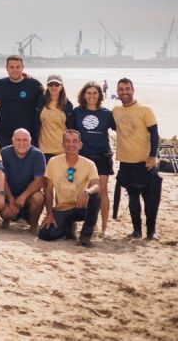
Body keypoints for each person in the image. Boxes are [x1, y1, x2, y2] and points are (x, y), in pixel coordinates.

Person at [112, 78, 162, 240]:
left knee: (150, 199)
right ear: (117, 92)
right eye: (121, 89)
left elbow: (155, 135)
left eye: (127, 89)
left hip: (144, 162)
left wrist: (152, 156)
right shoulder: (116, 111)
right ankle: (136, 230)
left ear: (133, 90)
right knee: (133, 198)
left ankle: (151, 231)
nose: (124, 92)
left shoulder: (145, 110)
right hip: (126, 162)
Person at [39, 130, 101, 247]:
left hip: (80, 206)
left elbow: (97, 185)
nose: (71, 144)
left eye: (74, 141)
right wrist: (49, 214)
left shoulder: (89, 164)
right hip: (62, 208)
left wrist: (87, 191)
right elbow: (48, 190)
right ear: (62, 144)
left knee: (96, 197)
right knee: (45, 234)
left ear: (80, 145)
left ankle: (85, 236)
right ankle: (67, 228)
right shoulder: (53, 162)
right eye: (67, 141)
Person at [73, 81, 115, 236]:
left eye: (94, 93)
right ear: (84, 95)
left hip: (102, 155)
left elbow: (122, 129)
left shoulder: (107, 114)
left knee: (102, 190)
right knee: (84, 190)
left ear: (100, 95)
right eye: (88, 93)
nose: (91, 96)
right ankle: (90, 223)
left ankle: (104, 227)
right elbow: (70, 132)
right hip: (83, 156)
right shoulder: (77, 112)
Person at [0, 128, 47, 233]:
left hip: (28, 197)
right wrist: (11, 199)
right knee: (7, 213)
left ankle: (33, 225)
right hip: (9, 196)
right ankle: (6, 220)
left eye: (25, 140)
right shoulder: (4, 152)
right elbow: (2, 178)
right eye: (18, 140)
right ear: (12, 140)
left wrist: (23, 197)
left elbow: (39, 181)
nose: (21, 143)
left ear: (30, 141)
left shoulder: (38, 154)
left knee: (38, 197)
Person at [0, 55, 44, 149]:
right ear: (6, 68)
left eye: (18, 67)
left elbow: (48, 102)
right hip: (4, 135)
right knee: (4, 163)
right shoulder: (0, 84)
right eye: (11, 67)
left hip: (27, 136)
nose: (15, 70)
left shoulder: (34, 85)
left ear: (23, 67)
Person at [35, 74, 75, 162]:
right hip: (42, 150)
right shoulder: (40, 100)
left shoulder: (67, 104)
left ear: (61, 86)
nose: (53, 87)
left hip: (62, 150)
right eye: (50, 84)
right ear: (47, 86)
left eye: (56, 84)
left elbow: (71, 128)